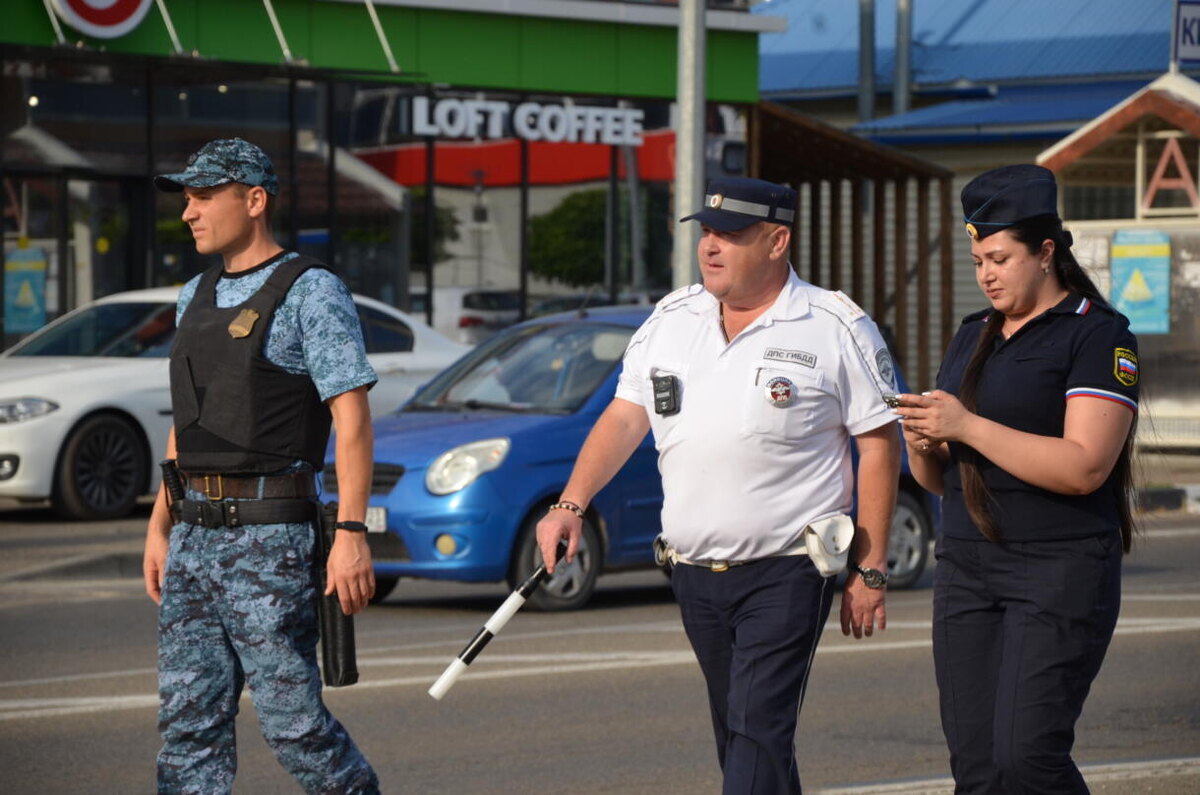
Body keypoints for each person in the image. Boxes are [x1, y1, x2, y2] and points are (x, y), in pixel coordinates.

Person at [537, 176, 902, 794]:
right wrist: (571, 503)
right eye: (706, 232)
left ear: (777, 240)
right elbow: (626, 416)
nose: (711, 247)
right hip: (694, 573)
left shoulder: (834, 325)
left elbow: (879, 443)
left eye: (730, 235)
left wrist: (870, 570)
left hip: (787, 570)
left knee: (756, 735)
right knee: (744, 738)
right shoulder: (672, 318)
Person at [141, 138, 380, 794]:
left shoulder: (311, 291)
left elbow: (351, 420)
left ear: (253, 200)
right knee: (189, 723)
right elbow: (188, 419)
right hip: (193, 535)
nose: (188, 211)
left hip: (269, 539)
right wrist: (160, 526)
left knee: (293, 723)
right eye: (185, 197)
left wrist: (352, 535)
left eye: (203, 195)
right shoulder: (196, 292)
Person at [895, 164, 1139, 794]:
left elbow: (1086, 466)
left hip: (1059, 567)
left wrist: (967, 426)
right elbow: (938, 477)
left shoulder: (1096, 334)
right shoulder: (972, 333)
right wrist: (923, 443)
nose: (986, 274)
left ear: (1047, 252)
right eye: (978, 260)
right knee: (976, 770)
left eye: (1000, 258)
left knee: (1027, 759)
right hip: (968, 565)